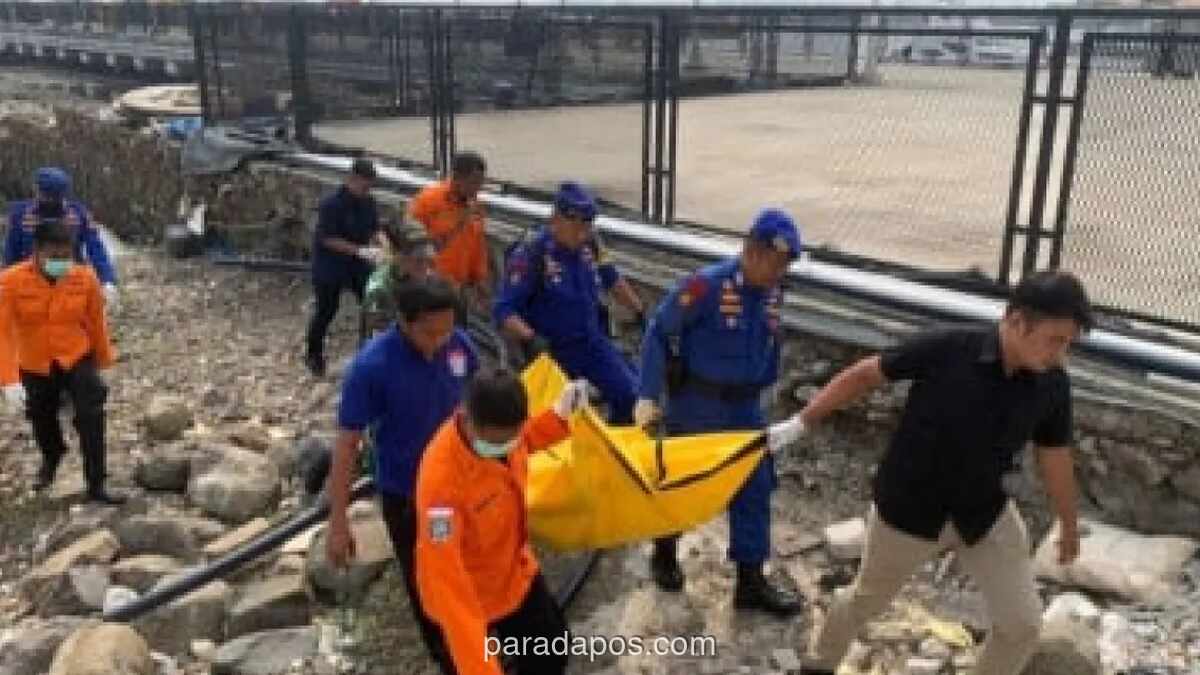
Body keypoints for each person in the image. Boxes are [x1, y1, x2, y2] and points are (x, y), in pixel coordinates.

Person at [775, 270, 1092, 675]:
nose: (1061, 353)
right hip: (909, 513)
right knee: (865, 602)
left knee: (1022, 625)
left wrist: (1067, 525)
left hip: (983, 514)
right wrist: (801, 423)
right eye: (1056, 340)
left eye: (1069, 343)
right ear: (1016, 321)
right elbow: (865, 374)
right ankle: (817, 665)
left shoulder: (1052, 385)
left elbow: (1055, 456)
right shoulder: (947, 348)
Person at [633, 208, 804, 616]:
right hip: (698, 404)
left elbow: (771, 344)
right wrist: (648, 393)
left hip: (745, 407)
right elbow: (659, 331)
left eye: (785, 266)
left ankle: (749, 580)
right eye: (775, 262)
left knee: (755, 484)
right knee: (682, 482)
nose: (778, 272)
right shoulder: (704, 287)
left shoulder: (775, 292)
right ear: (752, 251)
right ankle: (664, 551)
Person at [325, 278, 478, 665]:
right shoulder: (373, 367)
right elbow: (346, 445)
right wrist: (338, 522)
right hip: (411, 497)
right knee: (430, 588)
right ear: (405, 323)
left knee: (475, 570)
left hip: (464, 485)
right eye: (431, 333)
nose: (441, 341)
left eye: (447, 329)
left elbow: (477, 405)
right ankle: (451, 659)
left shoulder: (459, 346)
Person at [415, 367, 591, 675]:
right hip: (473, 592)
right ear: (470, 422)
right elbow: (446, 584)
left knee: (552, 651)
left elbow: (526, 439)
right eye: (501, 441)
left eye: (515, 437)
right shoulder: (440, 486)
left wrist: (559, 417)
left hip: (515, 571)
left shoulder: (505, 435)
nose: (511, 446)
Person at [494, 181, 645, 424]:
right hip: (553, 351)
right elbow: (504, 310)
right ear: (556, 219)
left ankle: (615, 445)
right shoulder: (531, 255)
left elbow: (611, 278)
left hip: (592, 342)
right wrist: (530, 338)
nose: (582, 234)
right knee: (560, 418)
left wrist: (639, 311)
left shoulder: (591, 246)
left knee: (630, 395)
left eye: (587, 226)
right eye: (576, 227)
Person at [0, 211, 124, 504]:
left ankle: (97, 483)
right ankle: (52, 457)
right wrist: (8, 379)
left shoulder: (84, 278)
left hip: (75, 354)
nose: (60, 262)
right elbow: (2, 332)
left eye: (66, 255)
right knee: (42, 418)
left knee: (91, 413)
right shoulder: (11, 282)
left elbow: (95, 323)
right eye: (54, 256)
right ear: (37, 252)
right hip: (34, 360)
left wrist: (103, 361)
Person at [305, 158, 385, 376]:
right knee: (326, 310)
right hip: (330, 265)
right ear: (352, 179)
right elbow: (327, 239)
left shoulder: (368, 202)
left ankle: (367, 353)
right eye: (364, 186)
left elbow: (374, 228)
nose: (366, 191)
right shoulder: (331, 205)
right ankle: (314, 355)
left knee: (372, 307)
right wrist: (359, 250)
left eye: (370, 187)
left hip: (357, 266)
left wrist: (382, 246)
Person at [4, 167, 119, 311]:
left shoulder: (78, 214)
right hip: (29, 281)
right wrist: (7, 281)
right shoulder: (20, 214)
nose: (50, 200)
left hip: (70, 280)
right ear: (37, 191)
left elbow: (95, 247)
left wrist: (107, 279)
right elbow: (11, 250)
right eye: (46, 195)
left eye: (55, 196)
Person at [407, 151, 492, 317]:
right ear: (457, 177)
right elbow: (409, 242)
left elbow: (478, 246)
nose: (478, 188)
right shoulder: (428, 201)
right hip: (429, 289)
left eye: (481, 183)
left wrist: (479, 280)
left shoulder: (476, 207)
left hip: (459, 289)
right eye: (474, 182)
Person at [363, 226, 438, 331]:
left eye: (428, 259)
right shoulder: (379, 289)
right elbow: (379, 336)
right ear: (399, 257)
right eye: (418, 261)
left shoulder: (430, 279)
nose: (425, 267)